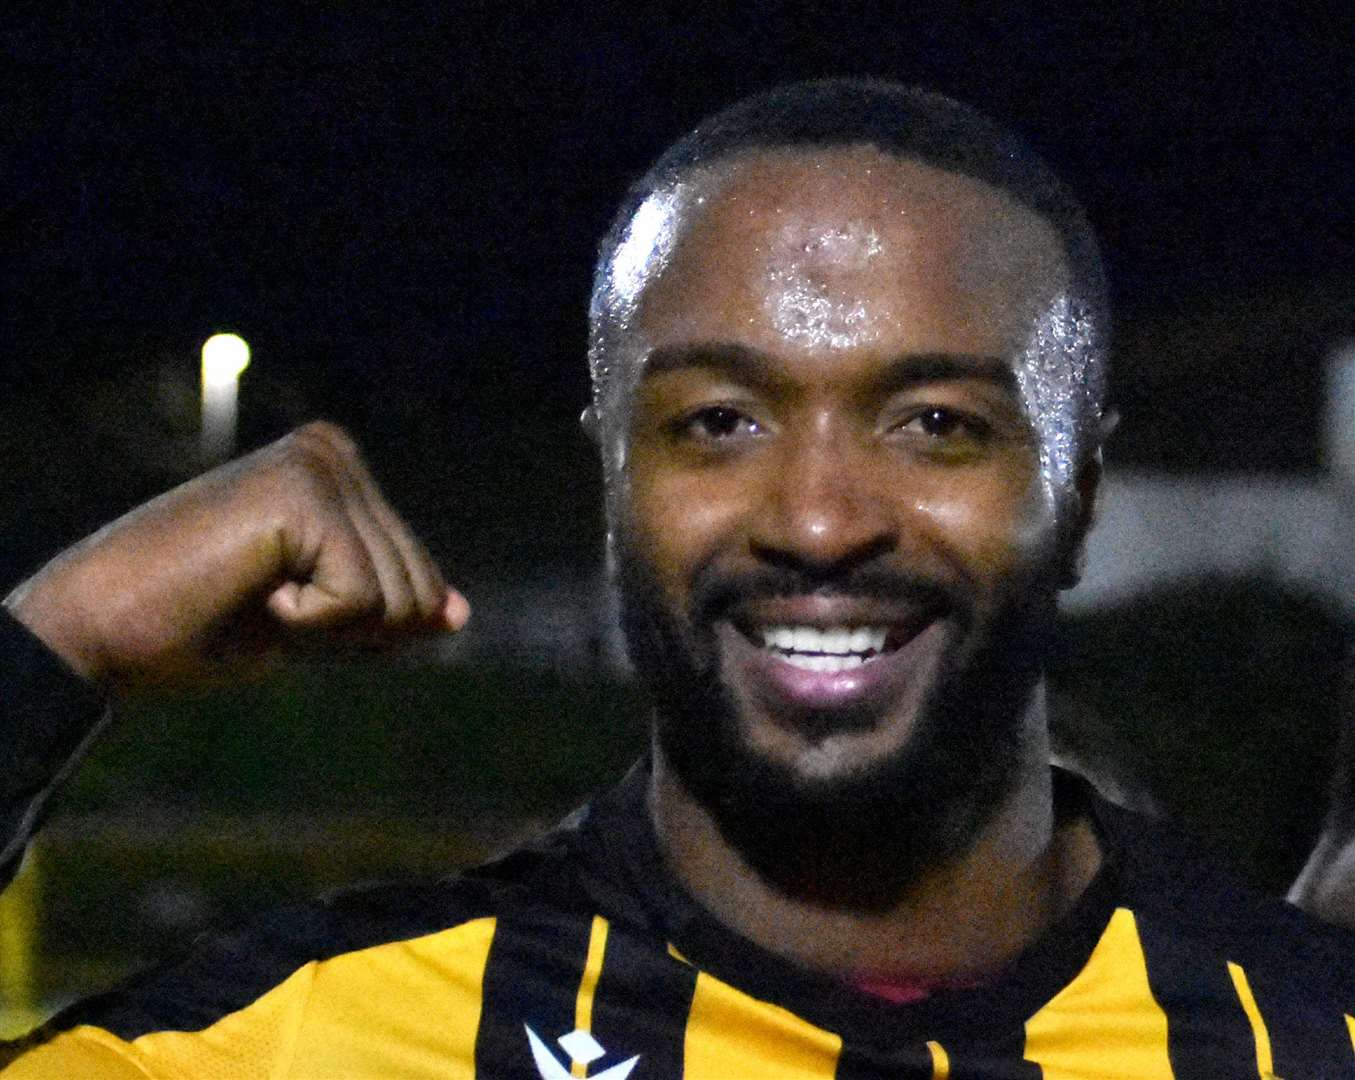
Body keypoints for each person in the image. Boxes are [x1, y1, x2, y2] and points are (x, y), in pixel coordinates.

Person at [3, 78, 1355, 1078]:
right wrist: (57, 643)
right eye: (718, 421)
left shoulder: (1298, 1033)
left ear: (1081, 497)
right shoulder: (310, 1042)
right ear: (612, 484)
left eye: (936, 423)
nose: (819, 521)